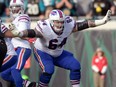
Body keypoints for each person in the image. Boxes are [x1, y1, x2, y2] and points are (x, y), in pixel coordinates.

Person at [10, 9, 111, 87]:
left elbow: (85, 24)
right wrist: (20, 33)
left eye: (61, 22)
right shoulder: (45, 27)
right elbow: (32, 32)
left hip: (58, 53)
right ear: (51, 21)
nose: (60, 24)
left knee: (75, 66)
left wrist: (102, 21)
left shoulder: (68, 24)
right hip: (43, 52)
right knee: (48, 70)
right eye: (57, 22)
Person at [0, 0, 35, 87]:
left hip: (22, 47)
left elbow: (21, 33)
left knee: (15, 69)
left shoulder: (23, 17)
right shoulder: (15, 20)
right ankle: (27, 84)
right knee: (4, 74)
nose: (15, 9)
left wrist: (9, 33)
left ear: (22, 8)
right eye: (12, 7)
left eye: (17, 6)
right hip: (15, 49)